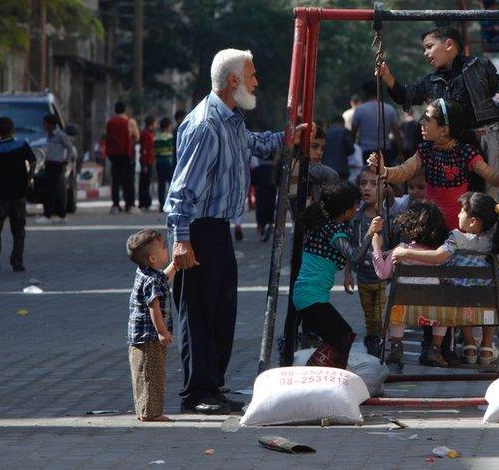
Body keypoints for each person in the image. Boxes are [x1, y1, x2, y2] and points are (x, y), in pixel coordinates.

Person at [165, 48, 306, 414]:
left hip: (218, 230)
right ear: (233, 81)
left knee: (221, 312)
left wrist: (286, 137)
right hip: (197, 231)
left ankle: (212, 386)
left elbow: (253, 144)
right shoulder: (205, 125)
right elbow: (182, 190)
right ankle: (196, 393)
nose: (256, 82)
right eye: (252, 75)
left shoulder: (231, 120)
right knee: (197, 313)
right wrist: (181, 239)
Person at [391, 189, 499, 367]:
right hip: (488, 304)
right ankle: (486, 346)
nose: (458, 214)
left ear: (473, 221)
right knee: (486, 293)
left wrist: (405, 252)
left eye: (462, 210)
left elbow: (438, 257)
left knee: (459, 293)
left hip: (459, 305)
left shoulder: (456, 238)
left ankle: (470, 344)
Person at [376, 26, 499, 181]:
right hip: (452, 147)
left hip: (486, 140)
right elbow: (406, 95)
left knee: (492, 192)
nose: (425, 53)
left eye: (429, 47)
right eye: (424, 49)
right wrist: (387, 77)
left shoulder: (479, 66)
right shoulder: (431, 81)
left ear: (448, 44)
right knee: (458, 193)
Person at [369, 98, 499, 231]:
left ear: (444, 130)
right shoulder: (425, 149)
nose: (421, 122)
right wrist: (383, 170)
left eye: (427, 119)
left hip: (459, 229)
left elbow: (496, 179)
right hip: (430, 225)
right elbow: (404, 171)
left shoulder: (466, 153)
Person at [293, 182, 382, 368]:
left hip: (308, 295)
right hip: (310, 297)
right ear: (346, 210)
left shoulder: (326, 225)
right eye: (355, 206)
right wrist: (370, 233)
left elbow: (346, 253)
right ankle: (316, 373)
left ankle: (327, 374)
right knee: (343, 337)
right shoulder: (334, 230)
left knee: (342, 337)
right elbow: (354, 255)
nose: (357, 209)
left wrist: (348, 274)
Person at [371, 203, 450, 365]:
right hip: (432, 309)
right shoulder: (437, 254)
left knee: (394, 301)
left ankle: (397, 345)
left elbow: (383, 274)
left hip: (401, 309)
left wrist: (376, 249)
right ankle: (435, 348)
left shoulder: (401, 249)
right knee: (444, 307)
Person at [125, 229, 177, 422]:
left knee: (144, 373)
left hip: (140, 335)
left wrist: (175, 265)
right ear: (153, 258)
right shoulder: (152, 280)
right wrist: (162, 332)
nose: (167, 249)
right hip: (149, 336)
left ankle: (145, 411)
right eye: (164, 247)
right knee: (151, 375)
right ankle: (150, 412)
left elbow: (165, 278)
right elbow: (153, 308)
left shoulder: (147, 273)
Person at [347, 168, 399, 357]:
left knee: (379, 314)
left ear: (384, 188)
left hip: (382, 277)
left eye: (373, 183)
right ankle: (373, 343)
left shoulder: (389, 217)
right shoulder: (356, 217)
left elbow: (396, 247)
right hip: (362, 276)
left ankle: (379, 343)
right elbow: (351, 248)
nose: (367, 188)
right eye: (363, 183)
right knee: (369, 316)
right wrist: (347, 274)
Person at [0, 117, 36, 273]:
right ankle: (17, 262)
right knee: (18, 230)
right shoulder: (22, 145)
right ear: (13, 130)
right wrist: (28, 178)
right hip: (18, 195)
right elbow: (33, 161)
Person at [35, 114, 76, 224]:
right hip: (48, 163)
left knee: (52, 190)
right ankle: (59, 214)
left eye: (45, 123)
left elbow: (69, 148)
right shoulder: (49, 135)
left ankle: (48, 215)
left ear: (50, 124)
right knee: (51, 190)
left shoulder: (60, 135)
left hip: (57, 164)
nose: (44, 126)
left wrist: (66, 161)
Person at [352, 80, 403, 166]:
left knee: (368, 177)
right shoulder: (389, 109)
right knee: (385, 177)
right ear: (378, 92)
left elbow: (353, 133)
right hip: (385, 151)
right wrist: (400, 153)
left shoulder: (360, 110)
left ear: (364, 93)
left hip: (366, 151)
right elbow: (397, 133)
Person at [107, 101, 139, 214]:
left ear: (115, 110)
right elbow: (137, 136)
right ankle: (129, 204)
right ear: (125, 110)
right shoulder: (130, 122)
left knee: (115, 180)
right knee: (128, 180)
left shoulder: (110, 122)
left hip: (114, 155)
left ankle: (115, 205)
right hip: (127, 154)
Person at [322, 115, 355, 179]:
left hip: (326, 169)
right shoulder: (344, 131)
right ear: (342, 122)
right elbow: (351, 150)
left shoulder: (325, 132)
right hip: (341, 169)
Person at [154, 117, 175, 208]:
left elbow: (155, 149)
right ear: (168, 126)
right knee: (172, 183)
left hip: (159, 162)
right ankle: (172, 203)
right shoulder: (169, 136)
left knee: (161, 183)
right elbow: (171, 149)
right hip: (167, 161)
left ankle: (161, 204)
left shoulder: (157, 136)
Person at [138, 115, 157, 211]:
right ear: (151, 124)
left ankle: (144, 202)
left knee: (146, 182)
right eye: (155, 123)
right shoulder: (146, 134)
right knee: (145, 183)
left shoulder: (149, 133)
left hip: (149, 161)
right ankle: (145, 203)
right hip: (146, 162)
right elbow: (144, 149)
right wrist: (144, 164)